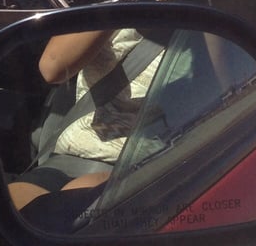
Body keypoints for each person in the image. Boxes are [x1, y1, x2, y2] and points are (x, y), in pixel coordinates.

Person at [8, 27, 164, 212]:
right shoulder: (108, 14)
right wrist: (115, 11)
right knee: (5, 207)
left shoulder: (191, 24)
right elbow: (52, 67)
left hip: (142, 162)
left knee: (63, 214)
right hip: (69, 155)